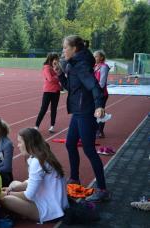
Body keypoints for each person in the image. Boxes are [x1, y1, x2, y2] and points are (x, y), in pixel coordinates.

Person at [58, 35, 109, 202]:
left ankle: (102, 189)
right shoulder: (75, 64)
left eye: (65, 47)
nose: (63, 50)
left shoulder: (80, 66)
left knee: (89, 149)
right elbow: (70, 88)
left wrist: (99, 105)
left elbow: (94, 86)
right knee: (70, 143)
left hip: (85, 112)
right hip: (78, 111)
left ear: (75, 49)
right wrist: (60, 75)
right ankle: (74, 178)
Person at [0, 128, 68, 223]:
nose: (18, 146)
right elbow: (31, 182)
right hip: (55, 202)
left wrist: (7, 193)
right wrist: (12, 189)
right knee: (14, 184)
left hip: (50, 210)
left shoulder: (37, 162)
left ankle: (22, 213)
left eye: (20, 142)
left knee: (6, 199)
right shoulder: (40, 156)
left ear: (29, 143)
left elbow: (28, 195)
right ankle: (21, 211)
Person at [35, 53, 62, 133]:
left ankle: (52, 126)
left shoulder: (56, 67)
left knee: (54, 109)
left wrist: (57, 75)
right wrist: (57, 76)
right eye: (56, 58)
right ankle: (36, 125)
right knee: (43, 108)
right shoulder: (46, 67)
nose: (57, 60)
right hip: (48, 90)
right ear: (52, 59)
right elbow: (50, 79)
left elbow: (61, 76)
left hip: (56, 91)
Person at [93, 50, 110, 138]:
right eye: (94, 56)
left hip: (101, 94)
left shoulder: (104, 67)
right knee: (94, 112)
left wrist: (92, 87)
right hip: (94, 93)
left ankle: (100, 131)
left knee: (100, 112)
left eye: (96, 56)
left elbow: (102, 83)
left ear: (101, 57)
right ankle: (95, 129)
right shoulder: (95, 66)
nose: (94, 58)